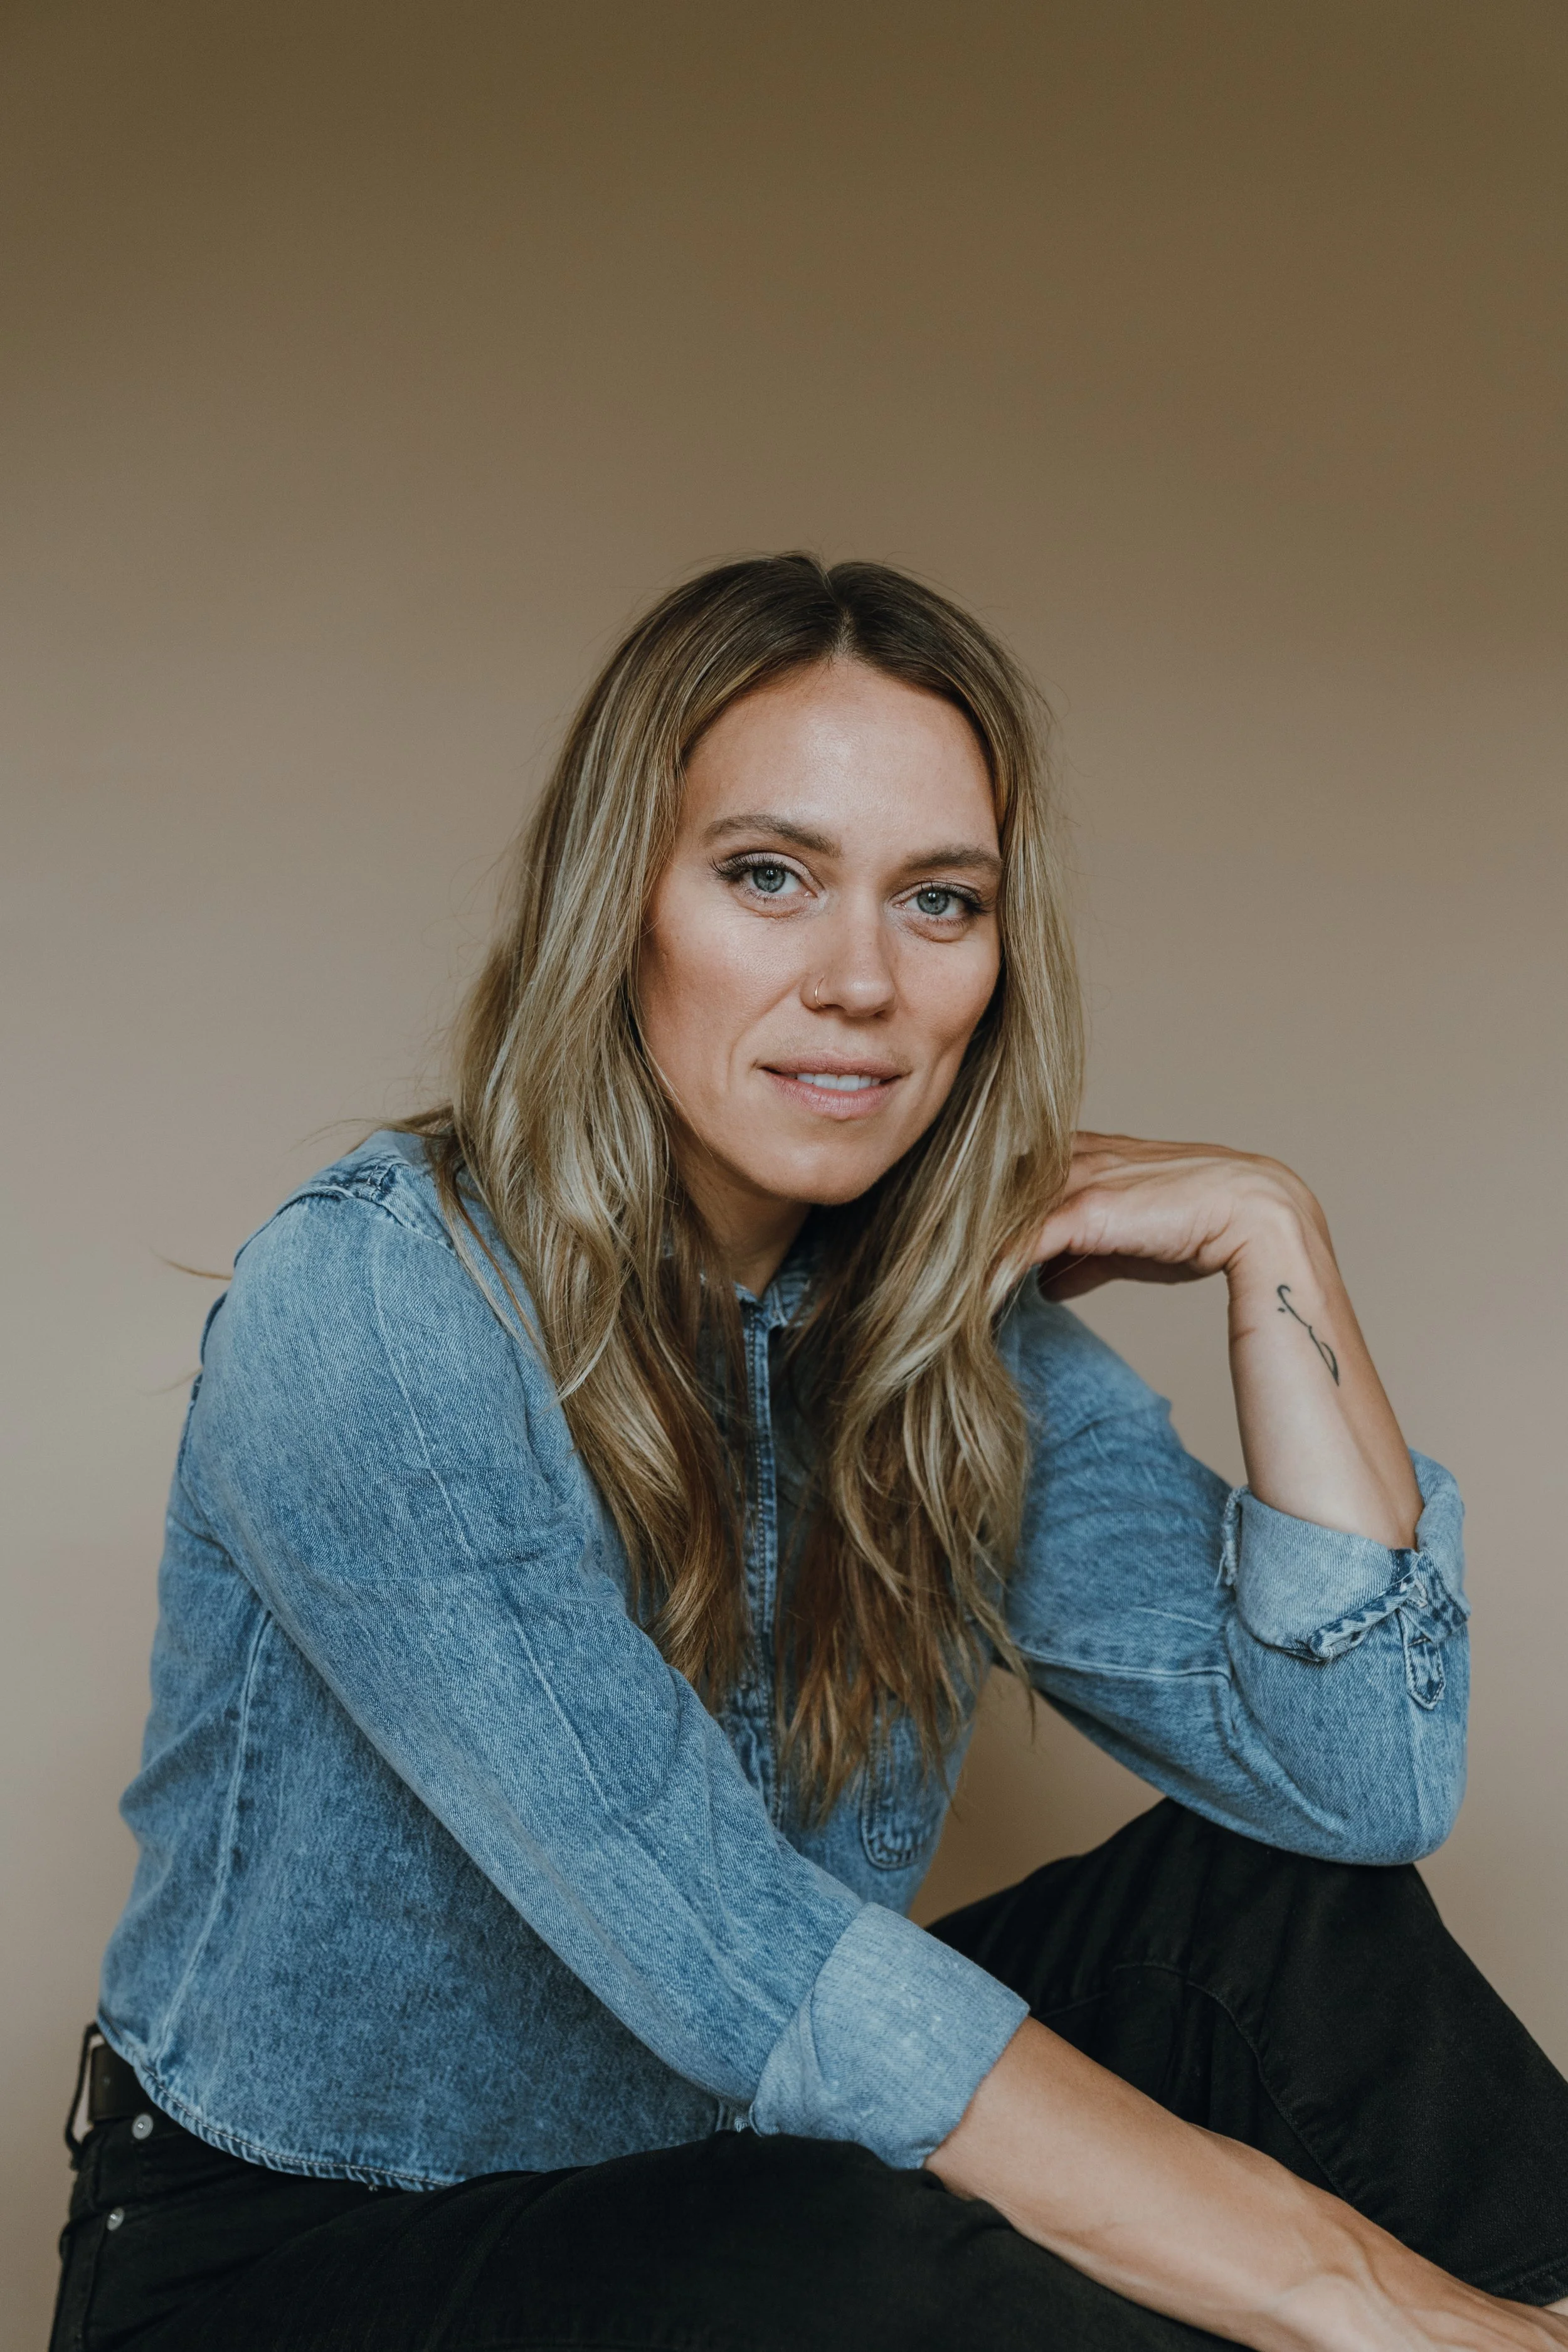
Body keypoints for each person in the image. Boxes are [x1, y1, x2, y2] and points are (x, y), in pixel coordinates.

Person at [51, 556, 1568, 2352]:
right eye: (767, 876)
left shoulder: (945, 1333)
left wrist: (1274, 1233)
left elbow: (1357, 1785)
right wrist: (1373, 2304)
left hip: (729, 2150)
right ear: (617, 906)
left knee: (1276, 1922)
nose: (861, 979)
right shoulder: (378, 1305)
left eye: (939, 900)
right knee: (836, 2246)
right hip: (300, 2253)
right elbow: (741, 1966)